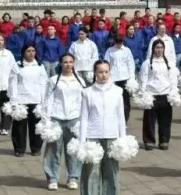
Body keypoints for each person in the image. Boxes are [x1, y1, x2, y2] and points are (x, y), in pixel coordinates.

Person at [79, 60, 128, 195]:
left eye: (106, 71)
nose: (104, 75)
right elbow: (83, 118)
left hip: (112, 136)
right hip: (92, 137)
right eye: (100, 72)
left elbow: (121, 118)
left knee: (111, 172)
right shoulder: (87, 92)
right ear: (95, 73)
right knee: (91, 173)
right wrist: (82, 142)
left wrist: (122, 139)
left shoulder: (118, 91)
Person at [41, 53, 85, 190]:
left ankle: (72, 177)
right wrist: (46, 120)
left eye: (71, 62)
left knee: (72, 151)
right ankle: (52, 178)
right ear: (60, 64)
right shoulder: (53, 80)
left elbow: (83, 101)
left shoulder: (80, 81)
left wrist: (81, 119)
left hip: (73, 119)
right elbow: (47, 100)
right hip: (56, 118)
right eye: (65, 62)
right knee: (53, 150)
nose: (68, 65)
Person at [8, 42, 47, 157]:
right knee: (19, 127)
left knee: (36, 126)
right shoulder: (17, 65)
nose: (31, 53)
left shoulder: (40, 66)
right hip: (21, 100)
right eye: (28, 51)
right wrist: (13, 100)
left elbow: (43, 84)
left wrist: (43, 100)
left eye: (33, 51)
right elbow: (12, 84)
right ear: (23, 52)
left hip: (36, 100)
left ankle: (36, 148)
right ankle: (19, 148)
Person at [104, 35, 136, 122]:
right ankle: (114, 119)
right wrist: (107, 77)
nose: (119, 45)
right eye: (117, 43)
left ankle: (125, 119)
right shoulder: (110, 50)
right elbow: (106, 64)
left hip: (125, 77)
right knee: (113, 100)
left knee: (125, 100)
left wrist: (131, 77)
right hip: (114, 78)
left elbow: (130, 64)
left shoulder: (127, 50)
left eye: (120, 43)